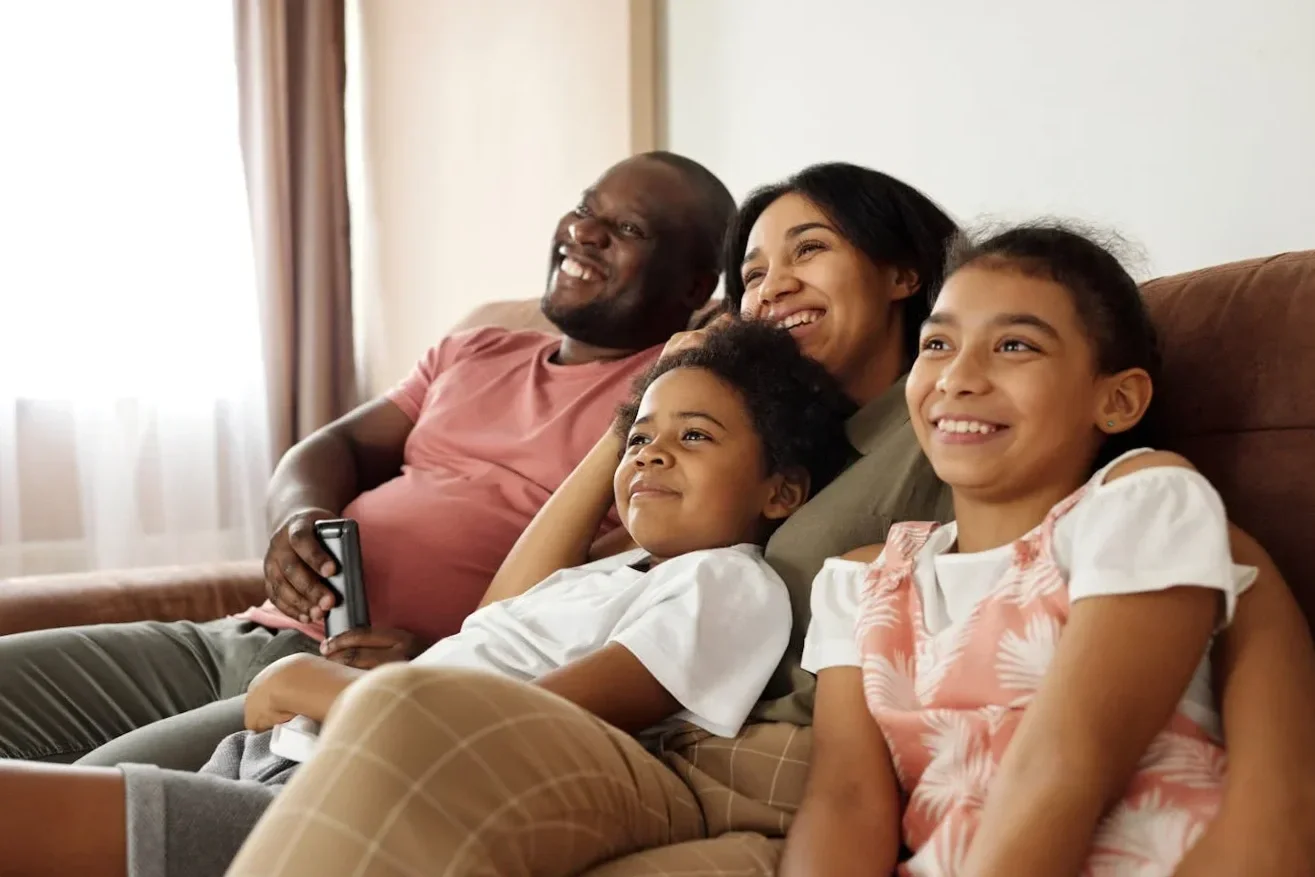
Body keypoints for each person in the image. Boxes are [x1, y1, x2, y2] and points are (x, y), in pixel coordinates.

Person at [208, 168, 1312, 876]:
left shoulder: (1117, 498)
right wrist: (653, 409)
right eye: (750, 271)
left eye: (807, 250)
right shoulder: (852, 548)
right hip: (750, 761)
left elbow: (1071, 756)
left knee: (402, 719)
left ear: (898, 275)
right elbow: (850, 787)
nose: (960, 375)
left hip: (719, 751)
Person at [0, 319, 857, 877]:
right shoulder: (612, 570)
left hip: (346, 793)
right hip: (297, 752)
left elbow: (519, 725)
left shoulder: (728, 583)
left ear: (780, 492)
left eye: (693, 437)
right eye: (639, 439)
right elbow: (495, 616)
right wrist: (617, 438)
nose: (650, 456)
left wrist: (316, 689)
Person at [0, 150, 737, 769]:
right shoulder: (475, 347)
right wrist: (298, 517)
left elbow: (596, 593)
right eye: (585, 207)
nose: (583, 232)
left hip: (362, 684)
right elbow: (333, 447)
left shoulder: (664, 408)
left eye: (625, 228)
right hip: (248, 637)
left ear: (693, 287)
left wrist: (451, 661)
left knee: (64, 807)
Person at [780, 224, 1277, 876]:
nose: (957, 376)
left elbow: (1065, 764)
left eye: (1014, 345)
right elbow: (843, 800)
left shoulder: (1143, 502)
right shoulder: (859, 579)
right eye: (936, 343)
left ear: (1117, 398)